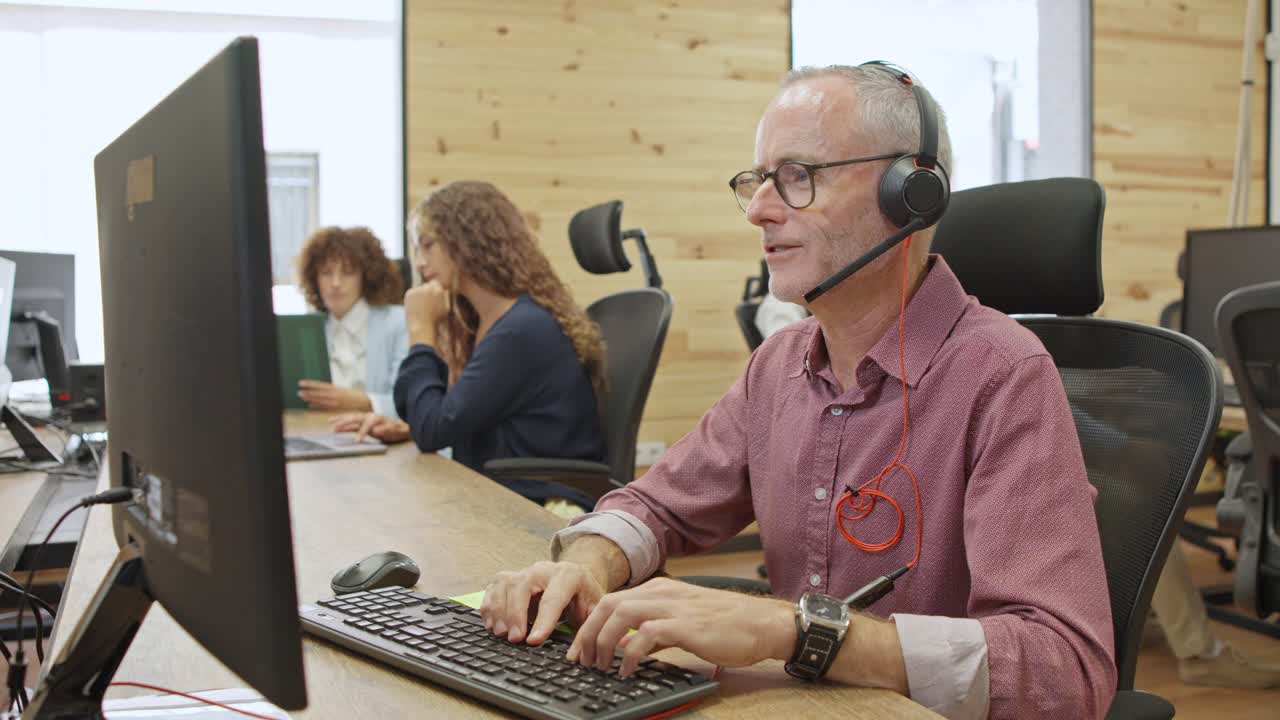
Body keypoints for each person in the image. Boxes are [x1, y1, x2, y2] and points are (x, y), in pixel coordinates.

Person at [480, 63, 1117, 720]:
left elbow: (1064, 670)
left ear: (909, 193)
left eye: (797, 177)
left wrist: (792, 632)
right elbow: (658, 505)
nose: (758, 210)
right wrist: (589, 562)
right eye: (757, 181)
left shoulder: (1003, 375)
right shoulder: (779, 365)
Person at [333, 181, 606, 515]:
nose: (419, 263)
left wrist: (420, 329)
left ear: (466, 243)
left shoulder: (520, 331)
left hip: (541, 504)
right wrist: (409, 428)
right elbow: (444, 420)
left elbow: (433, 430)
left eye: (427, 245)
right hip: (506, 489)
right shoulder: (490, 323)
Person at [294, 226, 408, 416]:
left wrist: (362, 402)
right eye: (326, 273)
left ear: (366, 277)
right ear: (314, 278)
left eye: (348, 272)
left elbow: (409, 402)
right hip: (320, 431)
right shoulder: (308, 330)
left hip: (383, 439)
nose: (336, 283)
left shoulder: (399, 322)